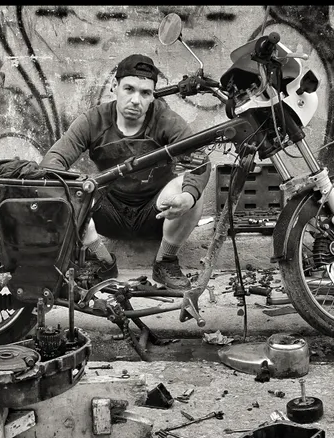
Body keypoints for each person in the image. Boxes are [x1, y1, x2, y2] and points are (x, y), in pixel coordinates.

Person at [40, 53, 211, 289]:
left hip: (157, 213)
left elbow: (200, 162)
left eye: (145, 93)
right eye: (129, 89)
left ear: (152, 96)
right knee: (71, 191)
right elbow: (55, 159)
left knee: (192, 190)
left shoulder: (166, 119)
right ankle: (102, 261)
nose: (135, 100)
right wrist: (64, 190)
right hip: (107, 214)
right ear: (114, 87)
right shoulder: (94, 120)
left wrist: (187, 197)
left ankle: (165, 262)